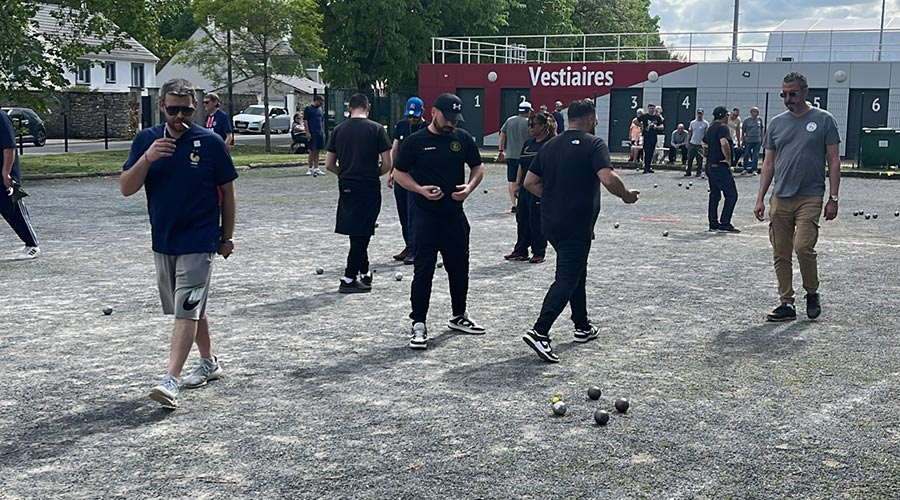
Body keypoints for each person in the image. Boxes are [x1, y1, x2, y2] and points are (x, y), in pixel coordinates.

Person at [119, 78, 238, 409]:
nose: (180, 116)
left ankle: (170, 379)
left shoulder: (211, 143)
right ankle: (210, 362)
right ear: (162, 107)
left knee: (186, 309)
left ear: (196, 107)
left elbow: (228, 193)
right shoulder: (146, 140)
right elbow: (126, 187)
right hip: (164, 240)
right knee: (189, 305)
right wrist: (147, 159)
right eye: (174, 110)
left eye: (187, 109)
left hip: (200, 240)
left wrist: (226, 236)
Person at [521, 99, 639, 363]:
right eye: (595, 119)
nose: (596, 123)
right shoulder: (594, 144)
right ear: (589, 119)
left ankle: (582, 325)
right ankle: (540, 331)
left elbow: (529, 182)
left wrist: (553, 199)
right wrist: (627, 196)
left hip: (551, 222)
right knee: (567, 277)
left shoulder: (550, 145)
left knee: (576, 272)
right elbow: (608, 179)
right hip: (575, 224)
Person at [393, 93, 486, 350]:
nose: (452, 124)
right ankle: (419, 324)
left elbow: (478, 167)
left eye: (456, 119)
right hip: (425, 217)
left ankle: (459, 315)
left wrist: (469, 187)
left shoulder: (462, 139)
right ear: (434, 112)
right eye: (448, 118)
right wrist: (420, 189)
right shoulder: (415, 142)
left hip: (455, 216)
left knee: (460, 268)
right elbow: (399, 173)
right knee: (423, 271)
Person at [754, 72, 841, 322]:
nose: (788, 99)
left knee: (803, 246)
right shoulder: (777, 124)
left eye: (793, 94)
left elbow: (834, 160)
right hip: (780, 197)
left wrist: (833, 197)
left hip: (810, 196)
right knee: (780, 252)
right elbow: (768, 163)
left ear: (805, 92)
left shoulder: (824, 120)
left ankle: (812, 292)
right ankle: (786, 303)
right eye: (784, 94)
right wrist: (760, 197)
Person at [325, 94, 392, 293]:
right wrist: (375, 173)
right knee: (363, 231)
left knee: (357, 230)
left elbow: (329, 164)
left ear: (349, 108)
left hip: (346, 184)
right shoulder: (377, 129)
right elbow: (387, 163)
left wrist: (344, 174)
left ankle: (364, 271)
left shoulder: (338, 130)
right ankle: (348, 277)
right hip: (369, 184)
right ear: (368, 107)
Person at [503, 111, 555, 264]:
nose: (530, 128)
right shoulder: (528, 143)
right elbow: (521, 164)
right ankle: (521, 249)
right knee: (522, 218)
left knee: (536, 219)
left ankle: (539, 251)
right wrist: (517, 184)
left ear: (543, 126)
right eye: (529, 125)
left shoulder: (550, 144)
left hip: (538, 187)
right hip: (526, 187)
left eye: (533, 125)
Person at [387, 97, 429, 265]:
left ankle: (415, 248)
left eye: (415, 116)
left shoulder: (427, 128)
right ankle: (408, 245)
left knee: (414, 214)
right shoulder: (402, 127)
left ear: (422, 112)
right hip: (401, 175)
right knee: (403, 212)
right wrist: (390, 172)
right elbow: (395, 149)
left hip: (417, 177)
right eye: (409, 116)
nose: (412, 120)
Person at [0, 109, 40, 260]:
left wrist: (6, 173)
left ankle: (32, 245)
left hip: (3, 173)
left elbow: (9, 147)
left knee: (13, 210)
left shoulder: (1, 117)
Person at [703, 106, 740, 233]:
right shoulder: (723, 128)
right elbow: (724, 143)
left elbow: (705, 144)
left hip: (710, 165)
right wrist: (728, 158)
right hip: (720, 165)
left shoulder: (710, 128)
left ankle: (713, 223)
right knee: (731, 195)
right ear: (724, 116)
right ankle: (725, 222)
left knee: (714, 194)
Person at [498, 101, 532, 214]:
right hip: (525, 155)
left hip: (511, 155)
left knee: (511, 180)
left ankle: (514, 205)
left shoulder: (509, 120)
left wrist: (501, 150)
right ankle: (524, 203)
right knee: (525, 179)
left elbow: (502, 135)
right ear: (528, 111)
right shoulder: (529, 123)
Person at [304, 95, 326, 176]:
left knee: (318, 150)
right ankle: (310, 168)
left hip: (319, 132)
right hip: (312, 132)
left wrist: (322, 132)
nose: (321, 103)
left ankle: (316, 168)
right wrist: (307, 132)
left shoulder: (320, 109)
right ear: (316, 100)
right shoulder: (308, 109)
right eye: (320, 101)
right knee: (312, 150)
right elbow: (305, 121)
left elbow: (321, 121)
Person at [638, 103, 663, 173]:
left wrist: (655, 127)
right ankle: (645, 168)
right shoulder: (645, 116)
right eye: (650, 108)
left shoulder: (657, 117)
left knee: (651, 152)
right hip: (646, 136)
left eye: (652, 108)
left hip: (654, 136)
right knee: (646, 151)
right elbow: (635, 120)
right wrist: (641, 126)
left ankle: (649, 167)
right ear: (648, 109)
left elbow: (662, 126)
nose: (651, 110)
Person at [741, 106, 764, 175]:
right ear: (751, 112)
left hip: (757, 140)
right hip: (748, 140)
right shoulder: (747, 120)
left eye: (757, 112)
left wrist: (762, 138)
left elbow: (762, 129)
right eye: (754, 112)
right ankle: (745, 168)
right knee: (746, 154)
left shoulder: (759, 120)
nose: (756, 113)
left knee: (755, 155)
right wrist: (743, 139)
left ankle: (754, 169)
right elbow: (743, 131)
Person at [686, 108, 708, 177]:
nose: (699, 115)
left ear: (703, 114)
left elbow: (707, 134)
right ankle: (688, 171)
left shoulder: (705, 123)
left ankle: (698, 172)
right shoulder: (692, 123)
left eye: (701, 114)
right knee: (689, 159)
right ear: (697, 114)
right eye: (698, 113)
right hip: (693, 143)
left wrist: (706, 144)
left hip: (700, 144)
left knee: (700, 159)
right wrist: (687, 142)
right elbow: (690, 133)